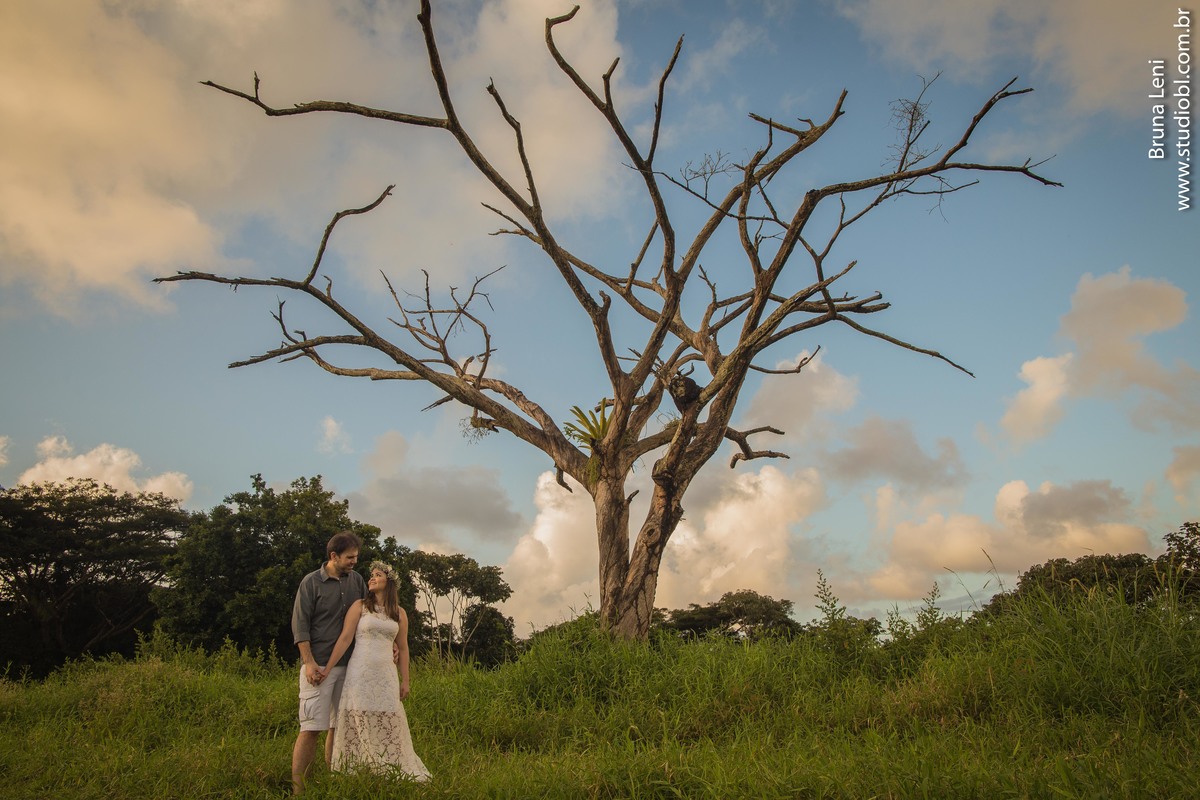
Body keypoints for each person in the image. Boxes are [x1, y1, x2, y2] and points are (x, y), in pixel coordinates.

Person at [322, 560, 431, 781]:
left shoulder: (399, 613)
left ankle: (387, 765)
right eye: (371, 575)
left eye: (377, 574)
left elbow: (403, 647)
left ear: (388, 582)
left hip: (386, 673)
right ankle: (356, 767)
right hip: (360, 670)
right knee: (359, 715)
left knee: (387, 716)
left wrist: (406, 680)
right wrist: (327, 669)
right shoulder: (360, 606)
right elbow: (345, 639)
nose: (372, 578)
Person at [289, 530, 368, 795]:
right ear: (334, 556)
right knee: (312, 727)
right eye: (349, 557)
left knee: (339, 726)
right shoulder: (311, 582)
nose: (354, 562)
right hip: (320, 665)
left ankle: (333, 780)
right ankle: (299, 790)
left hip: (350, 666)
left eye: (356, 557)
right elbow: (300, 626)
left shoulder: (357, 581)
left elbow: (368, 617)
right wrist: (308, 662)